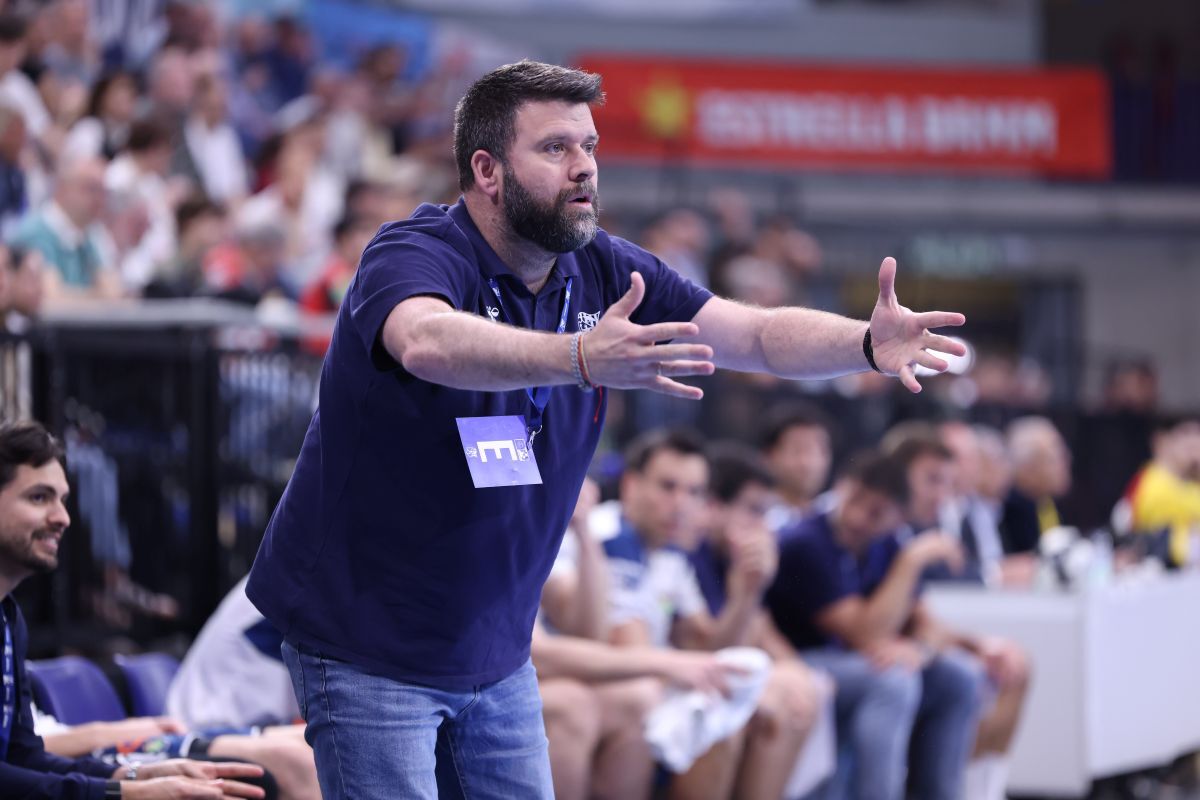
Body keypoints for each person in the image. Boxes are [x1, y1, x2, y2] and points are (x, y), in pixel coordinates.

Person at [245, 60, 966, 799]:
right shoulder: (415, 250)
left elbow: (751, 334)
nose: (584, 166)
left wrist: (864, 343)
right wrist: (579, 357)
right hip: (365, 643)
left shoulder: (604, 269)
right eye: (555, 148)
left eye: (589, 146)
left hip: (493, 656)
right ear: (487, 170)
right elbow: (426, 341)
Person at [0, 419, 266, 799]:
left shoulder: (10, 617)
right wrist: (128, 793)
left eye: (62, 500)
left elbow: (23, 756)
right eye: (39, 498)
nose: (63, 518)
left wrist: (138, 774)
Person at [766, 452, 986, 800]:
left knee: (959, 676)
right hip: (796, 661)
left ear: (898, 517)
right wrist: (911, 561)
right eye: (853, 499)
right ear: (841, 486)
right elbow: (863, 634)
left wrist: (919, 649)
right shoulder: (805, 541)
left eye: (876, 512)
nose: (857, 516)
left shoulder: (887, 543)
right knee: (892, 681)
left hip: (853, 663)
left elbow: (926, 624)